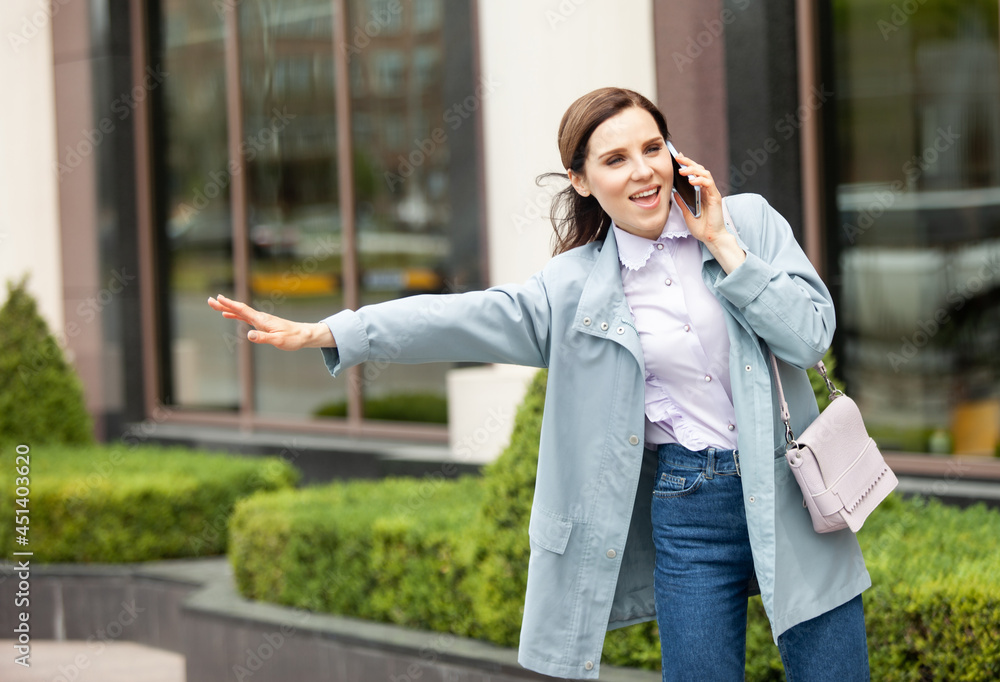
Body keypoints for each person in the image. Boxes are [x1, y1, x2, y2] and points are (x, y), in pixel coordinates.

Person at [209, 87, 871, 681]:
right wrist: (332, 332)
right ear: (582, 181)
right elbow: (457, 317)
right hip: (688, 508)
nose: (642, 170)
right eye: (615, 160)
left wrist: (724, 245)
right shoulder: (573, 289)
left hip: (792, 489)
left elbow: (809, 335)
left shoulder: (748, 222)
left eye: (652, 148)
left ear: (674, 153)